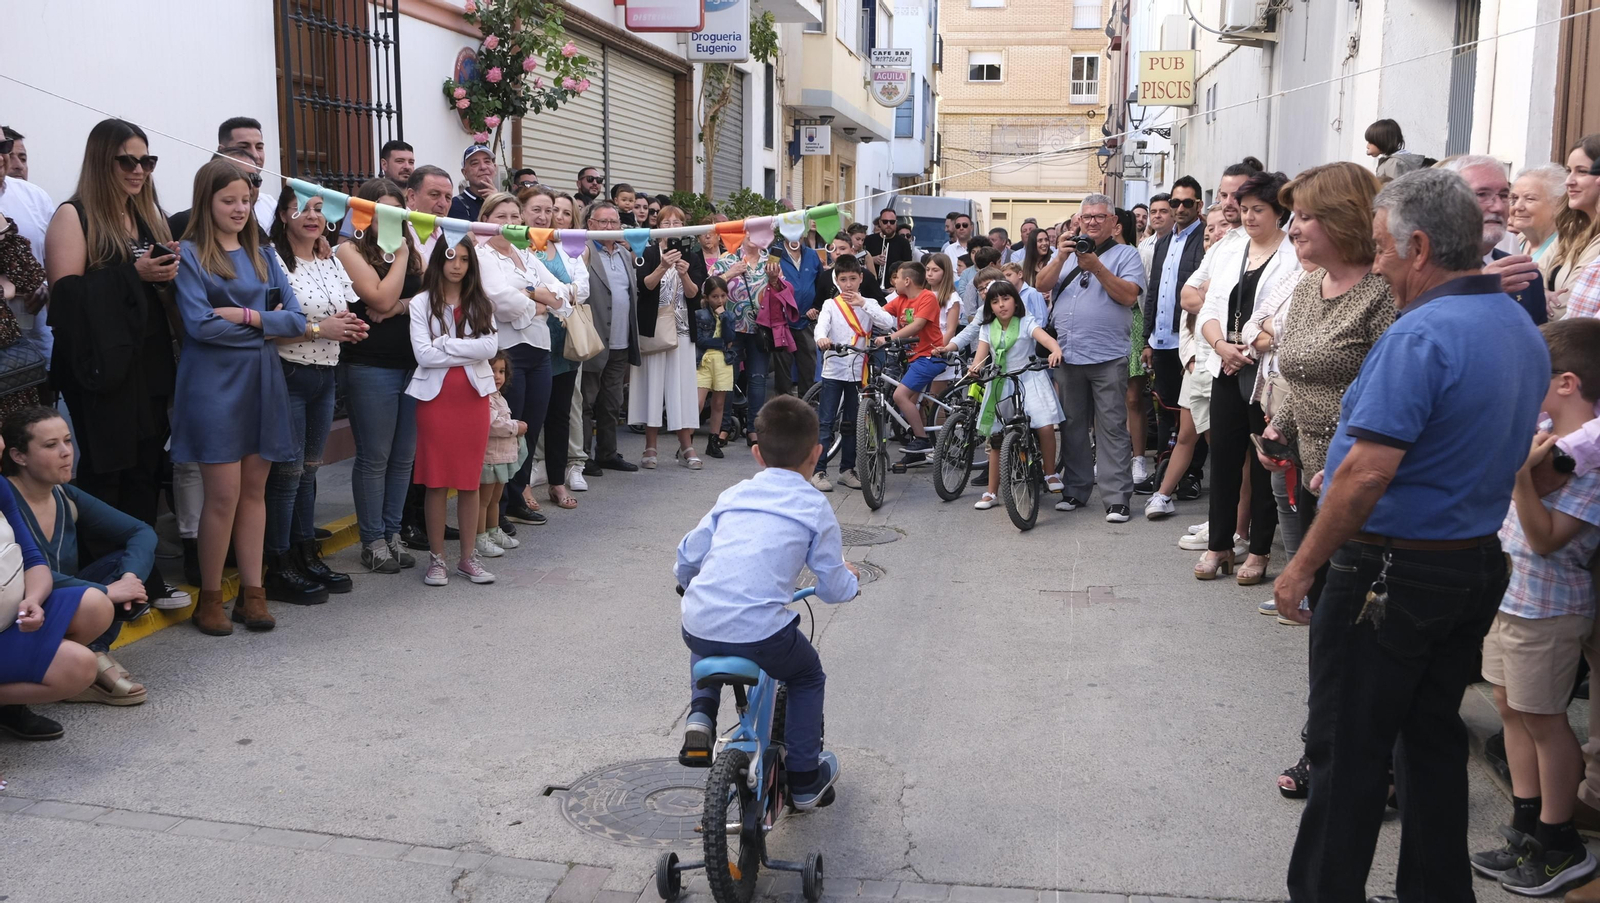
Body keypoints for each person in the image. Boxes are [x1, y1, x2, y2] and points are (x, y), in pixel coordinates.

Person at [1277, 168, 1548, 903]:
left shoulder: (1423, 332)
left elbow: (1366, 473)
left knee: (1348, 750)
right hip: (1466, 564)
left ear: (1420, 245)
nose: (1381, 262)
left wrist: (1303, 565)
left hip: (1391, 572)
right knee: (1429, 742)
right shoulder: (1515, 324)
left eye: (1383, 247)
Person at [674, 394, 859, 810]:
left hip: (700, 620)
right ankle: (806, 778)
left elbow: (689, 554)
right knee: (807, 675)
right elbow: (832, 586)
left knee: (706, 621)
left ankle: (700, 715)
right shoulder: (815, 506)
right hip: (762, 634)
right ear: (816, 454)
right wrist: (851, 582)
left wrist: (686, 583)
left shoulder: (735, 494)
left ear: (757, 453)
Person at [1469, 317, 1600, 893]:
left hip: (1548, 605)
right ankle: (1525, 826)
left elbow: (1548, 537)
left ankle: (1559, 841)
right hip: (1511, 593)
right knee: (1509, 706)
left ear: (1567, 382)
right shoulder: (1545, 432)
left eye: (1536, 376)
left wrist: (1521, 477)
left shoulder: (1587, 459)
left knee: (1546, 721)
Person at [44, 119, 186, 594]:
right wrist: (134, 272)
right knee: (108, 470)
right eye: (128, 159)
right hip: (98, 368)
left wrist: (169, 270)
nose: (139, 170)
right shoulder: (74, 215)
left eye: (147, 160)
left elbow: (156, 294)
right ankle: (103, 575)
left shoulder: (147, 215)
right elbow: (65, 300)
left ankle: (141, 569)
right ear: (102, 160)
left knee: (146, 469)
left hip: (148, 360)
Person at [172, 158, 307, 636]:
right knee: (222, 497)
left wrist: (248, 318)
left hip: (261, 380)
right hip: (212, 385)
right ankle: (210, 598)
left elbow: (295, 319)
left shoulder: (265, 254)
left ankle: (254, 595)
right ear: (205, 201)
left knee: (255, 492)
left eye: (246, 201)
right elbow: (199, 326)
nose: (239, 209)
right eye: (228, 200)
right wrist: (267, 327)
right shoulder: (188, 254)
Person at [2, 406, 158, 706]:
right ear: (18, 456)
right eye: (50, 445)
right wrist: (104, 590)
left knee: (123, 562)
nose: (65, 452)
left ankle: (90, 656)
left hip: (60, 600)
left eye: (68, 441)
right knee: (98, 596)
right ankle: (87, 663)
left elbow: (141, 532)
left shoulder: (64, 494)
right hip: (19, 608)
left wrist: (129, 577)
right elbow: (19, 573)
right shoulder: (7, 498)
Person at [1194, 170, 1299, 584]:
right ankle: (1219, 545)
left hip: (1267, 372)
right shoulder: (1230, 247)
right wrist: (1222, 347)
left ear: (1280, 212)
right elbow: (1209, 308)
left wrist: (1250, 349)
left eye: (1259, 210)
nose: (1249, 217)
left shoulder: (1294, 254)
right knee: (1223, 459)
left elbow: (1287, 320)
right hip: (1226, 363)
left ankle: (1257, 552)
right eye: (1245, 209)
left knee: (1263, 463)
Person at [264, 190, 364, 604]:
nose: (311, 216)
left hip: (326, 373)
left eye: (318, 210)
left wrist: (350, 327)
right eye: (302, 208)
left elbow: (343, 309)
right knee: (286, 475)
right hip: (289, 372)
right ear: (283, 214)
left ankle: (307, 553)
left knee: (308, 470)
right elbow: (269, 324)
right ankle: (279, 563)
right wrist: (325, 329)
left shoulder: (329, 258)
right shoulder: (271, 258)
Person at [1035, 194, 1147, 522]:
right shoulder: (1066, 253)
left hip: (1108, 355)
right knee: (1071, 426)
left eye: (1100, 217)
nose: (1093, 222)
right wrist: (1059, 257)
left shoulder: (1127, 255)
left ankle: (1116, 498)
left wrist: (1095, 265)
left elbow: (1128, 297)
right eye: (1087, 217)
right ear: (1077, 222)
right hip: (1068, 355)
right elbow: (1041, 283)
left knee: (1111, 427)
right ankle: (1076, 489)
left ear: (1114, 223)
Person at [335, 178, 422, 575]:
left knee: (404, 457)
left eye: (397, 214)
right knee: (375, 457)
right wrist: (402, 252)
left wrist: (402, 306)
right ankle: (372, 540)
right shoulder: (348, 249)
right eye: (381, 213)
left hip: (413, 365)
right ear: (364, 213)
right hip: (370, 366)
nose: (389, 221)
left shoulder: (413, 252)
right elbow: (379, 298)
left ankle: (392, 533)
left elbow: (428, 295)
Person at [476, 191, 570, 527]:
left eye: (515, 216)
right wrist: (538, 305)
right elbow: (499, 301)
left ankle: (518, 496)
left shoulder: (525, 254)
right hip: (508, 351)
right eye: (501, 216)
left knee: (530, 426)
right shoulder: (482, 255)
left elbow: (562, 291)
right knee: (506, 428)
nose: (510, 223)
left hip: (539, 349)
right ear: (485, 220)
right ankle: (496, 508)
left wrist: (533, 298)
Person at [408, 238, 499, 587]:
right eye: (450, 258)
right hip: (435, 400)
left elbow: (489, 347)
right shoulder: (420, 303)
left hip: (473, 399)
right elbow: (422, 356)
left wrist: (444, 344)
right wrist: (467, 350)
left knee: (468, 481)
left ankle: (467, 558)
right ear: (439, 261)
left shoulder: (481, 302)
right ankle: (437, 560)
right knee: (435, 481)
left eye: (464, 259)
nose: (457, 265)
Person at [961, 281, 1065, 510]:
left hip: (1029, 378)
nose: (1001, 305)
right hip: (1000, 382)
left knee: (1045, 425)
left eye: (1006, 299)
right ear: (990, 306)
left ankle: (1050, 474)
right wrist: (974, 369)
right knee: (996, 438)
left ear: (1015, 301)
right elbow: (980, 356)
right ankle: (991, 492)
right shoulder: (987, 327)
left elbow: (1044, 339)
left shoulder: (1025, 321)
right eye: (995, 301)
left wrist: (1055, 349)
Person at [520, 187, 588, 508]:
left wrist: (552, 295)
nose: (544, 216)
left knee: (560, 416)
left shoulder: (563, 247)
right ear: (522, 212)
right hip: (530, 344)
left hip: (564, 344)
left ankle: (557, 483)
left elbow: (578, 289)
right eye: (537, 209)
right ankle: (523, 484)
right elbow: (524, 289)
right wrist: (551, 295)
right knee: (528, 417)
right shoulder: (517, 248)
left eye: (549, 210)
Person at [1141, 176, 1206, 505]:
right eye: (1175, 202)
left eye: (1187, 203)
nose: (1180, 208)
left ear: (1198, 206)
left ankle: (1192, 473)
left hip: (1193, 342)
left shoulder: (1205, 240)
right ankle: (1166, 471)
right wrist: (1147, 338)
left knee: (1195, 411)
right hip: (1163, 340)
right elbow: (1154, 291)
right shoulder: (1163, 240)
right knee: (1167, 409)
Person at [811, 254, 893, 491]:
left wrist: (863, 304)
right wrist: (822, 339)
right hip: (834, 370)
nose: (848, 284)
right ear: (836, 281)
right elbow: (821, 326)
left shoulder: (869, 304)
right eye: (843, 279)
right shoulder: (830, 305)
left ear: (861, 279)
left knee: (852, 423)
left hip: (859, 371)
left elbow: (887, 323)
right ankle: (818, 471)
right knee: (826, 422)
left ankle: (847, 470)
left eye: (853, 279)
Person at [632, 206, 705, 469]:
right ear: (657, 226)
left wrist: (684, 273)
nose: (672, 227)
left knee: (682, 387)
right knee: (653, 385)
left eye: (678, 222)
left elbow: (695, 295)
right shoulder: (648, 252)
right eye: (667, 222)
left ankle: (686, 445)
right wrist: (663, 266)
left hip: (683, 330)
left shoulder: (693, 257)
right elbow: (645, 286)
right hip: (654, 328)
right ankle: (650, 446)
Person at [1443, 155, 1548, 326]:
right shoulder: (1422, 268)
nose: (1498, 207)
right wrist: (1478, 288)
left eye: (1504, 195)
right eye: (1482, 194)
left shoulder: (1524, 275)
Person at [581, 201, 642, 473]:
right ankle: (581, 457)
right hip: (593, 340)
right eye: (603, 222)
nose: (609, 227)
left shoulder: (623, 253)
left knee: (612, 403)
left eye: (614, 222)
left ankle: (607, 453)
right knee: (586, 402)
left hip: (621, 341)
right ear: (590, 224)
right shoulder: (583, 251)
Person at [874, 262, 945, 465]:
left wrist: (890, 338)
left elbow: (918, 325)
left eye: (896, 277)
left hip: (930, 357)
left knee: (900, 395)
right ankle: (917, 451)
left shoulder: (927, 297)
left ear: (907, 280)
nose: (893, 281)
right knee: (910, 403)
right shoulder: (901, 300)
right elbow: (880, 315)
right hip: (914, 358)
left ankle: (922, 441)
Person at [712, 233, 773, 446]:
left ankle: (753, 429)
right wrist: (730, 273)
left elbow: (783, 292)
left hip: (761, 329)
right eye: (751, 232)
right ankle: (724, 427)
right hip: (731, 327)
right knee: (728, 378)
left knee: (758, 379)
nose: (754, 238)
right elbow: (708, 287)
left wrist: (774, 280)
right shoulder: (727, 257)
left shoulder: (771, 260)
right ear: (743, 234)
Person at [0, 128, 53, 368]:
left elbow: (37, 271)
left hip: (32, 343)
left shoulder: (33, 196)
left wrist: (43, 286)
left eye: (4, 148)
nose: (7, 159)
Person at [476, 354, 526, 558]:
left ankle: (493, 530)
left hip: (501, 458)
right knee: (483, 500)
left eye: (501, 371)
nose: (497, 376)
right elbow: (491, 425)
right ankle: (479, 537)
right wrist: (516, 427)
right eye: (492, 370)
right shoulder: (484, 399)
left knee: (496, 499)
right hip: (489, 459)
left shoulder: (498, 396)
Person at [1551, 136, 1600, 319]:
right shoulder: (1571, 229)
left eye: (1582, 172)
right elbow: (1531, 279)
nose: (1569, 181)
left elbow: (1565, 307)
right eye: (1569, 171)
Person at [773, 237, 822, 398]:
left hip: (806, 322)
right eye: (791, 232)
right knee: (783, 373)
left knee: (809, 368)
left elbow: (821, 284)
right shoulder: (774, 253)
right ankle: (783, 412)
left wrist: (816, 307)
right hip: (782, 322)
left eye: (799, 232)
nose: (795, 237)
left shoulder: (812, 255)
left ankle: (807, 408)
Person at [696, 275, 738, 462]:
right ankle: (686, 440)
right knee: (698, 402)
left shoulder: (729, 315)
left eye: (722, 296)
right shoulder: (700, 314)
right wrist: (721, 343)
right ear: (706, 297)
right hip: (704, 360)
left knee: (719, 403)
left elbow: (730, 338)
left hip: (723, 361)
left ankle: (713, 441)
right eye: (715, 296)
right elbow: (701, 340)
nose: (719, 300)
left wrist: (724, 318)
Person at [216, 116, 278, 227]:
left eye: (259, 147)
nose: (255, 155)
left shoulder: (271, 205)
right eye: (244, 147)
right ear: (222, 151)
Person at [1509, 163, 1568, 265]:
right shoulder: (1514, 242)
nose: (1518, 206)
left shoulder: (1567, 249)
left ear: (1558, 204)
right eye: (1514, 198)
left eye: (1530, 199)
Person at [923, 253, 961, 402]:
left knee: (934, 398)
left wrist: (939, 348)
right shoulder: (923, 294)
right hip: (922, 348)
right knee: (920, 399)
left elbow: (951, 329)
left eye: (935, 270)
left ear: (945, 272)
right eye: (927, 269)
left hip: (940, 348)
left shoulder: (952, 298)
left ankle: (939, 425)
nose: (930, 274)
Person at [863, 207, 914, 294]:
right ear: (880, 222)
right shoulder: (869, 240)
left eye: (892, 222)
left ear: (896, 223)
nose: (888, 224)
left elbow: (908, 269)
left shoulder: (903, 243)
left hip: (894, 290)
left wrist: (898, 287)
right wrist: (872, 259)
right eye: (885, 221)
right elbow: (861, 263)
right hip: (871, 288)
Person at [450, 145, 496, 222]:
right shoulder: (456, 204)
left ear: (494, 168)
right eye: (475, 163)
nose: (483, 167)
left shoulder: (508, 202)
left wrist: (496, 200)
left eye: (487, 161)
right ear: (465, 173)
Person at [1020, 226, 1053, 291]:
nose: (1044, 243)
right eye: (1040, 240)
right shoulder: (1022, 266)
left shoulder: (1053, 262)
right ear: (1033, 244)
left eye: (1046, 240)